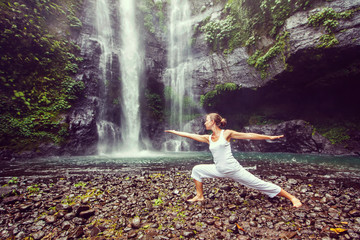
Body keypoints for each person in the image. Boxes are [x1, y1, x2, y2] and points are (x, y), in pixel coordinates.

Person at [165, 113, 302, 208]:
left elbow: (249, 135)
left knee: (259, 184)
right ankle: (200, 196)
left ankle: (292, 198)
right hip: (219, 169)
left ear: (213, 122)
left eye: (207, 120)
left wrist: (269, 137)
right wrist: (174, 132)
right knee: (197, 170)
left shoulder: (227, 133)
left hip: (233, 169)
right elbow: (190, 135)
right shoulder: (208, 138)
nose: (205, 122)